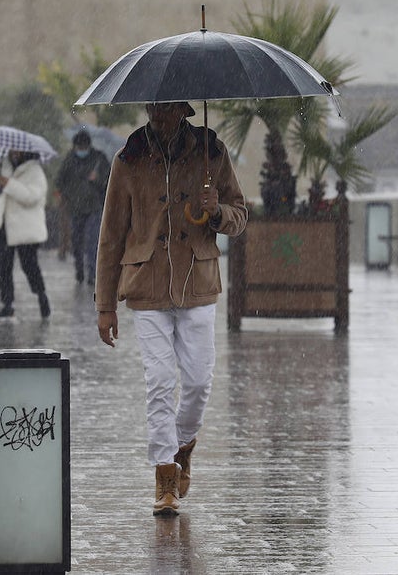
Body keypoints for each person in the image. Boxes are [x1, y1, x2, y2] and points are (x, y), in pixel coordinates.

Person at [94, 101, 247, 516]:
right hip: (146, 284)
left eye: (166, 109)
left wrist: (216, 211)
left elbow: (240, 216)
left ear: (183, 110)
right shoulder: (128, 158)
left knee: (198, 382)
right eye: (152, 108)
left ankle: (183, 444)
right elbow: (111, 235)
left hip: (197, 281)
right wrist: (105, 305)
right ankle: (164, 476)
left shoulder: (211, 153)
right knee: (160, 380)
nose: (157, 116)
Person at [0, 150, 51, 318]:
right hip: (3, 225)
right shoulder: (1, 166)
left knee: (29, 266)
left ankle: (41, 295)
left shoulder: (35, 171)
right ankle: (7, 303)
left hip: (25, 228)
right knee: (3, 267)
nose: (14, 154)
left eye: (18, 151)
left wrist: (9, 184)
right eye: (12, 150)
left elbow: (31, 197)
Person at [55, 130, 112, 285]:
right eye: (78, 147)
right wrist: (69, 194)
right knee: (77, 241)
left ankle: (92, 273)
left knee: (92, 241)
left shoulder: (99, 159)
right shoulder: (70, 159)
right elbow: (60, 181)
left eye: (83, 146)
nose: (81, 150)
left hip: (94, 207)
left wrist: (97, 179)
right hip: (75, 209)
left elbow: (109, 182)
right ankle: (79, 269)